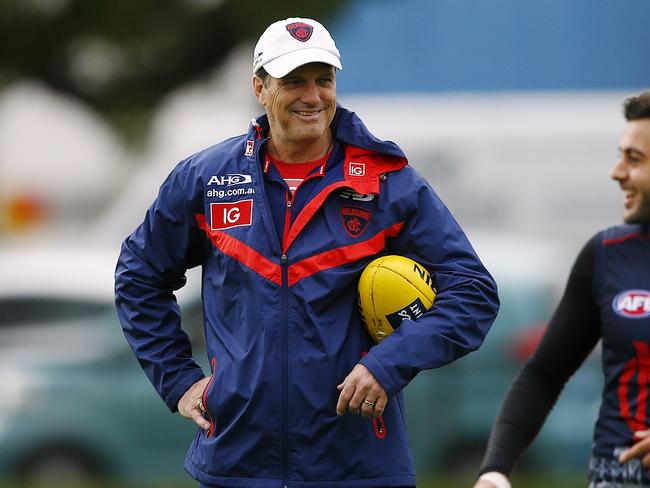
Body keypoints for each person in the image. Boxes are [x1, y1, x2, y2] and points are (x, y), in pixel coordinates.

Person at [115, 17, 499, 488]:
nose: (313, 96)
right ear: (260, 87)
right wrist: (177, 380)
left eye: (324, 80)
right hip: (237, 464)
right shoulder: (206, 179)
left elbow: (473, 292)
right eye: (294, 81)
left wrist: (388, 363)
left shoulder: (387, 184)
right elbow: (138, 276)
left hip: (358, 466)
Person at [474, 90, 650, 488]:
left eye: (634, 159)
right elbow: (543, 375)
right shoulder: (606, 254)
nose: (616, 171)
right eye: (620, 154)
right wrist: (495, 469)